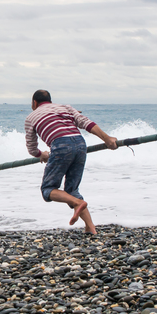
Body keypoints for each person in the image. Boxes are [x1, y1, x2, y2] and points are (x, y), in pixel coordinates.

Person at [25, 90, 119, 234]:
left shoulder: (31, 117)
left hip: (60, 145)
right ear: (50, 100)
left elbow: (31, 147)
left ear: (34, 103)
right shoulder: (66, 107)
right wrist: (106, 139)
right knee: (72, 190)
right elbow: (86, 123)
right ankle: (90, 227)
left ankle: (77, 202)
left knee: (48, 189)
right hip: (81, 144)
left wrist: (41, 154)